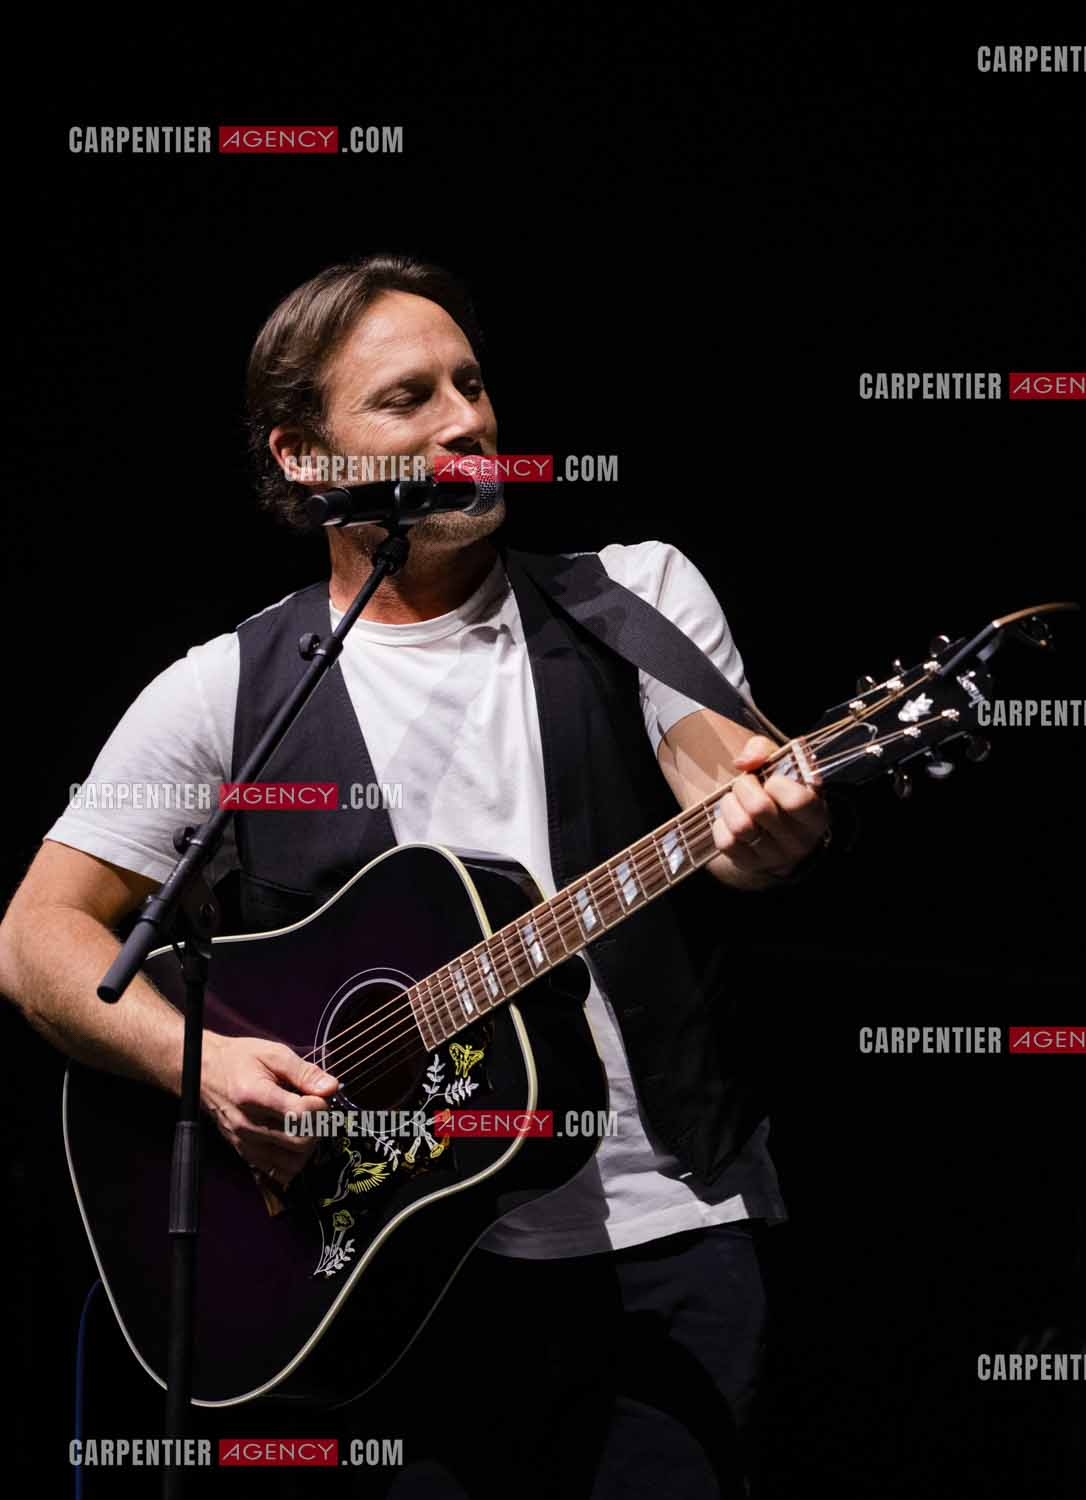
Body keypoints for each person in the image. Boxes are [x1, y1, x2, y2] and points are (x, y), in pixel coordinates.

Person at [0, 253, 829, 1497]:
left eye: (473, 383)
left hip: (664, 1241)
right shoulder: (226, 692)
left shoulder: (637, 598)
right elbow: (38, 939)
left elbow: (727, 783)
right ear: (301, 455)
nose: (467, 422)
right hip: (371, 1276)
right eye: (407, 399)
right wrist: (209, 1064)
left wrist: (765, 827)